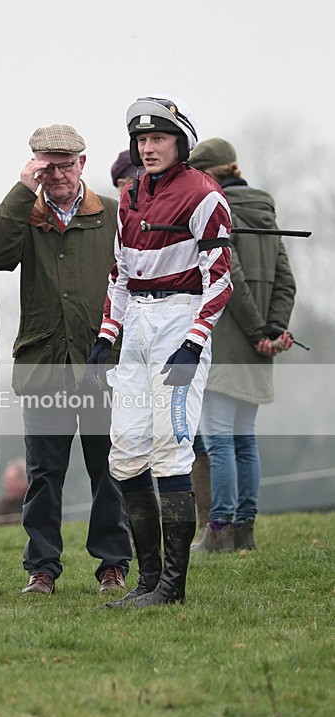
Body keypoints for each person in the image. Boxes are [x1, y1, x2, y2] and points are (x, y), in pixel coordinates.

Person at [88, 95, 232, 607]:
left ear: (180, 143)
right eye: (142, 140)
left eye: (159, 138)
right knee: (126, 453)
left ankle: (173, 587)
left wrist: (193, 343)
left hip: (180, 320)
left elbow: (220, 280)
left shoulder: (205, 194)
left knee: (170, 450)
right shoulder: (129, 195)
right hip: (137, 327)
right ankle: (148, 581)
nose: (148, 148)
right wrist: (106, 336)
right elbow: (120, 274)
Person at [0, 123, 132, 595]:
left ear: (82, 164)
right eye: (48, 168)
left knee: (108, 469)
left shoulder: (112, 214)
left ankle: (113, 565)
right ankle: (42, 568)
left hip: (103, 364)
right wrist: (21, 191)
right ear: (35, 168)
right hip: (44, 365)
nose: (59, 175)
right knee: (44, 474)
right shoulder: (25, 214)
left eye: (66, 166)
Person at [187, 138, 296, 552]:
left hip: (226, 345)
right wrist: (273, 330)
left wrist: (256, 332)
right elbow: (286, 280)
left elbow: (229, 277)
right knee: (245, 440)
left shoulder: (218, 210)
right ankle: (245, 531)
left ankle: (219, 531)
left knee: (219, 442)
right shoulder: (266, 211)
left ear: (208, 174)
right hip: (257, 350)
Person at [0, 458, 29, 523]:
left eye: (11, 481)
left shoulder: (32, 499)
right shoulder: (4, 503)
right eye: (7, 481)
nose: (7, 485)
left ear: (23, 481)